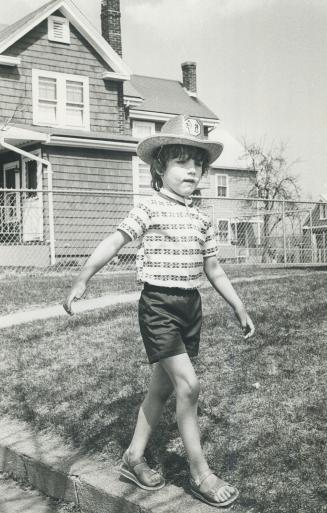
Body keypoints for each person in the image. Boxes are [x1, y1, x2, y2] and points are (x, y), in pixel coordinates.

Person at [64, 114, 255, 508]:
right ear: (160, 167)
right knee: (189, 386)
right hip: (158, 307)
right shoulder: (149, 209)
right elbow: (114, 240)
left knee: (161, 387)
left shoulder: (202, 218)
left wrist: (238, 305)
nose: (192, 170)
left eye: (198, 163)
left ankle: (133, 457)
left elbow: (213, 267)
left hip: (190, 307)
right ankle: (201, 473)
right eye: (181, 161)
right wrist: (83, 278)